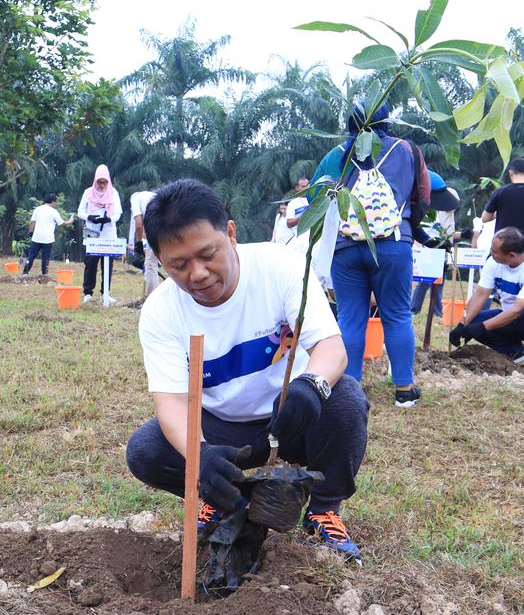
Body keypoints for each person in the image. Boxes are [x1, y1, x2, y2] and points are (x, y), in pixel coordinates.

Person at [125, 179, 370, 560]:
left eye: (208, 254)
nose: (198, 274)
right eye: (179, 265)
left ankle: (323, 511)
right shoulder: (161, 312)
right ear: (159, 260)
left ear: (232, 234)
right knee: (147, 450)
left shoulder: (281, 266)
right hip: (223, 432)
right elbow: (171, 402)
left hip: (290, 420)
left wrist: (310, 386)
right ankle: (227, 499)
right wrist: (200, 454)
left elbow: (330, 348)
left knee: (345, 398)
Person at [313, 102, 430, 408]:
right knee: (397, 314)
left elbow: (315, 196)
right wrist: (409, 228)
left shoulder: (337, 154)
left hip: (346, 245)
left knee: (350, 317)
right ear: (385, 121)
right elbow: (423, 195)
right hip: (393, 244)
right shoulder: (407, 150)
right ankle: (404, 389)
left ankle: (350, 388)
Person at [450, 227, 524, 372]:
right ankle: (516, 352)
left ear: (511, 255)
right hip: (514, 317)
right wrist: (463, 324)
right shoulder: (494, 262)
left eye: (494, 251)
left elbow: (517, 310)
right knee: (474, 321)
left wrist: (482, 328)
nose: (491, 253)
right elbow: (480, 294)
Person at [410, 171, 461, 318]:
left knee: (439, 282)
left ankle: (438, 311)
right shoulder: (426, 209)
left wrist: (447, 246)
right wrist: (428, 243)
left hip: (439, 251)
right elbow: (416, 228)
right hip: (426, 252)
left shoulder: (448, 216)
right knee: (425, 281)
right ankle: (413, 308)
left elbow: (449, 233)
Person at [76, 164, 121, 303]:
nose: (102, 185)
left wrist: (109, 219)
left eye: (104, 182)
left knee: (107, 264)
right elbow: (80, 211)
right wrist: (89, 217)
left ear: (108, 181)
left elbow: (118, 212)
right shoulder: (88, 192)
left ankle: (105, 294)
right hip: (91, 231)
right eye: (99, 182)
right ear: (95, 181)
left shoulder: (114, 192)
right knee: (90, 263)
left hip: (108, 232)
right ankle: (88, 293)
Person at [482, 157, 524, 250]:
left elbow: (485, 218)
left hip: (502, 246)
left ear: (510, 172)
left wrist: (502, 214)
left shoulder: (499, 192)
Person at [23, 193, 72, 276]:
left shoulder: (37, 209)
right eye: (55, 202)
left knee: (31, 256)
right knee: (45, 258)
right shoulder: (54, 212)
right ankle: (44, 274)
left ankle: (25, 272)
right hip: (47, 239)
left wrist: (30, 232)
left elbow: (32, 222)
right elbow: (62, 223)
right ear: (52, 201)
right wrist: (71, 221)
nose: (56, 204)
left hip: (36, 237)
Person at [128, 190, 160, 296]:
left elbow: (138, 225)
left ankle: (152, 299)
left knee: (150, 264)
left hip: (158, 225)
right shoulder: (149, 196)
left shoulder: (134, 199)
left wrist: (138, 243)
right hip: (171, 223)